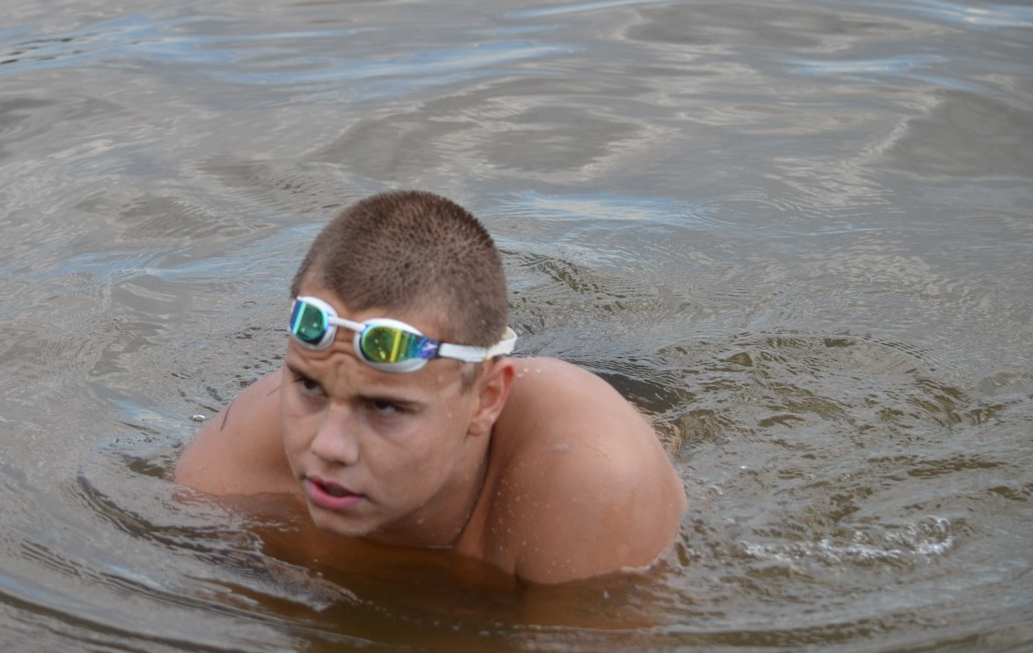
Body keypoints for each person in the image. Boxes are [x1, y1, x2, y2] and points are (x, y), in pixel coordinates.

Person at [175, 190, 686, 585]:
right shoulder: (229, 473)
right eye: (310, 386)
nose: (328, 447)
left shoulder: (590, 485)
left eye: (384, 407)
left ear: (487, 400)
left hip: (611, 387)